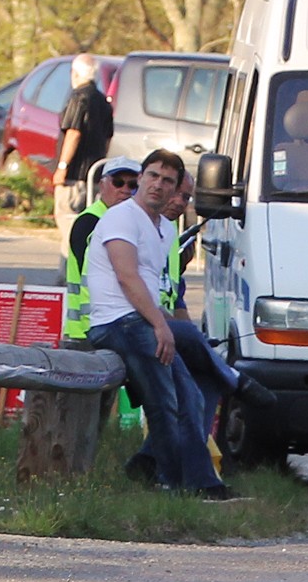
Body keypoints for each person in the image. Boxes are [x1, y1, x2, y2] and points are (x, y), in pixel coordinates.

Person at [84, 149, 230, 499]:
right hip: (114, 322)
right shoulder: (122, 218)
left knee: (191, 392)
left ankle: (189, 478)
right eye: (152, 176)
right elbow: (127, 277)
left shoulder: (163, 228)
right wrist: (161, 327)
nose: (158, 185)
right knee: (166, 399)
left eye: (168, 181)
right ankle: (174, 482)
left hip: (142, 320)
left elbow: (156, 289)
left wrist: (163, 322)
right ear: (141, 178)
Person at [64, 155, 141, 343]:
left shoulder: (133, 220)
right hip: (86, 331)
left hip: (116, 328)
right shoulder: (89, 221)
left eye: (133, 185)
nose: (125, 190)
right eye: (118, 182)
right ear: (102, 185)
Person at [54, 53, 114, 260]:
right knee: (90, 228)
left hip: (74, 176)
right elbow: (107, 138)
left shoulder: (79, 98)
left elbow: (73, 132)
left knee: (69, 226)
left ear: (75, 73)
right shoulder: (103, 102)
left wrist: (62, 166)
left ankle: (68, 279)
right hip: (94, 175)